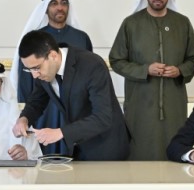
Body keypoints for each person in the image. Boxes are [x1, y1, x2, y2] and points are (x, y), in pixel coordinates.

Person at [109, 0, 194, 160]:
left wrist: (180, 70)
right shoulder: (131, 24)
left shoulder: (182, 23)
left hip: (174, 104)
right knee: (140, 154)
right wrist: (145, 70)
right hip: (140, 105)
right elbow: (116, 60)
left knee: (175, 152)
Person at [13, 30, 130, 161]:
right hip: (78, 148)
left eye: (36, 68)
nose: (34, 75)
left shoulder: (92, 65)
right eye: (29, 70)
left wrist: (60, 132)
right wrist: (24, 119)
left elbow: (103, 117)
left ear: (53, 56)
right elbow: (36, 102)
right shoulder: (43, 72)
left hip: (106, 149)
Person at [10, 0, 93, 155]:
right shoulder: (35, 39)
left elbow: (88, 74)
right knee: (46, 154)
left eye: (64, 3)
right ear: (45, 9)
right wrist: (25, 114)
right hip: (45, 107)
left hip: (75, 107)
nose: (60, 7)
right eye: (54, 3)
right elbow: (26, 78)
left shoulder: (81, 37)